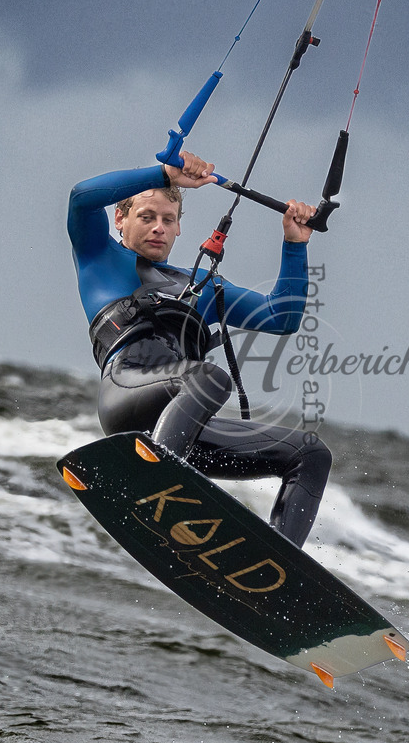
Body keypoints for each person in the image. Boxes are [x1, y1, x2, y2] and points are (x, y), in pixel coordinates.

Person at [67, 150, 332, 549]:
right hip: (128, 393)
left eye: (168, 220)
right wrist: (162, 173)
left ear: (178, 229)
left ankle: (283, 561)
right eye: (146, 217)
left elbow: (281, 317)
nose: (158, 227)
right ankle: (154, 485)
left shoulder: (203, 288)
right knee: (208, 377)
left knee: (311, 454)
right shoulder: (100, 257)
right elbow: (81, 197)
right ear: (120, 220)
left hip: (186, 429)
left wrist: (294, 244)